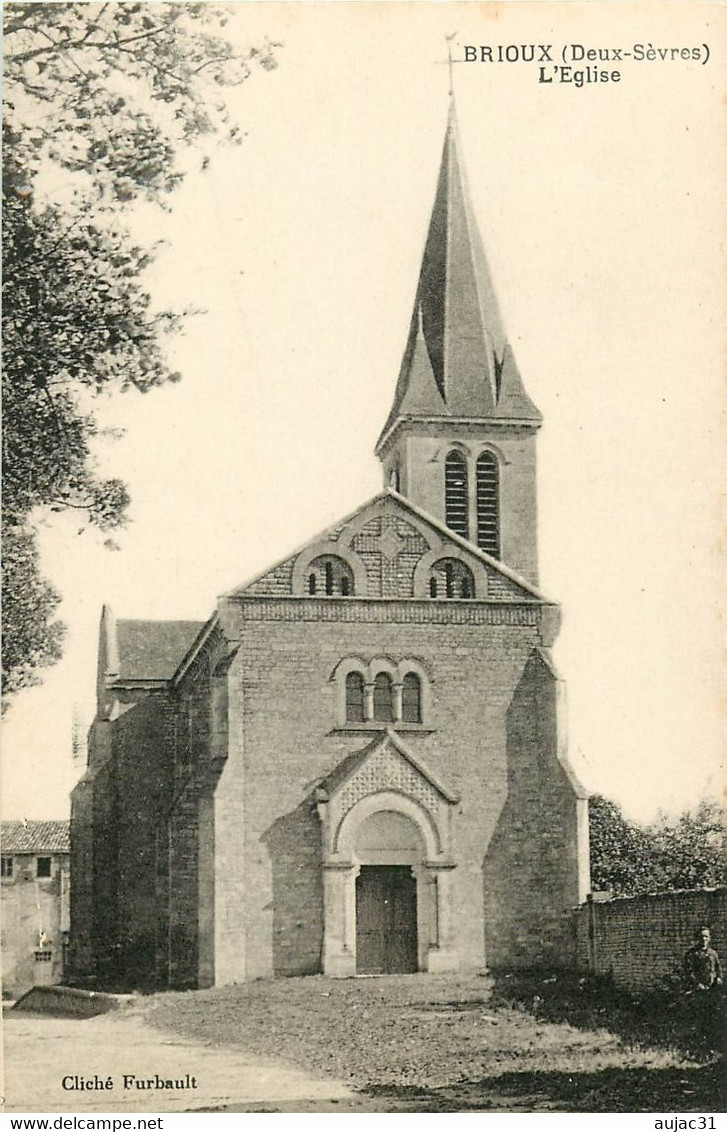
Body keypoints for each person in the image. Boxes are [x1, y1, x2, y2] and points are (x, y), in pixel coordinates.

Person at [684, 926, 723, 991]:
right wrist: (697, 984)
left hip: (712, 988)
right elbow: (688, 971)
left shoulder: (713, 953)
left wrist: (719, 978)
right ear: (698, 938)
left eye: (706, 936)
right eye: (701, 936)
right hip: (696, 988)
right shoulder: (691, 954)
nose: (704, 939)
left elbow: (718, 968)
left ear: (709, 938)